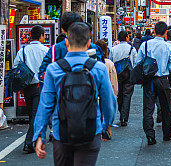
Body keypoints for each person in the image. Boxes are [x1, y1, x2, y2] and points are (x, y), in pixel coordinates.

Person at [32, 22, 117, 166]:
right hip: (91, 131)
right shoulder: (99, 68)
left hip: (62, 133)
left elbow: (45, 104)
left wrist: (39, 134)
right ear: (89, 42)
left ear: (66, 42)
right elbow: (109, 102)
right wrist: (105, 126)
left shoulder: (54, 69)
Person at [136, 21, 171, 145]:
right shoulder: (169, 47)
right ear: (165, 33)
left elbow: (138, 63)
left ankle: (150, 135)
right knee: (166, 108)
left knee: (148, 109)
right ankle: (167, 133)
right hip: (163, 79)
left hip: (149, 81)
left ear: (154, 31)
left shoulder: (145, 45)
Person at [13, 25, 49, 154]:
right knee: (35, 115)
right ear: (41, 36)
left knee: (32, 114)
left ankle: (34, 139)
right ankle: (29, 142)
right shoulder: (45, 50)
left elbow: (15, 67)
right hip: (40, 86)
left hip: (27, 86)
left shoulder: (23, 51)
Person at [38, 12, 104, 79]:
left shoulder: (55, 49)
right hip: (90, 88)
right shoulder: (94, 48)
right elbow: (102, 75)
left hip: (61, 88)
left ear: (63, 30)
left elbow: (43, 74)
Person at [109, 30, 137, 126]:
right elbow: (135, 62)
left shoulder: (113, 49)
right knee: (127, 95)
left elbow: (111, 61)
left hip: (117, 74)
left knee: (119, 94)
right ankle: (124, 117)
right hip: (129, 74)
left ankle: (122, 112)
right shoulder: (131, 49)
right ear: (126, 38)